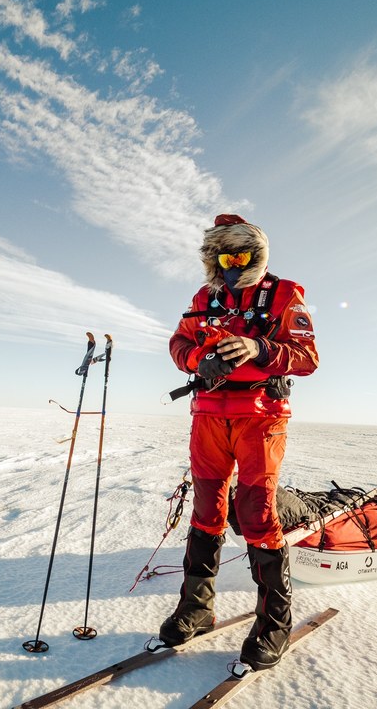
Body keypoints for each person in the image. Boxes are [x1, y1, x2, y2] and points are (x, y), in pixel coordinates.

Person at [159, 213, 319, 672]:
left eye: (240, 255)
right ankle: (196, 609)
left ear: (257, 256)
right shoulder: (203, 298)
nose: (231, 264)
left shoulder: (285, 294)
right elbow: (177, 343)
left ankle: (273, 623)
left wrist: (259, 350)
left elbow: (307, 357)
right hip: (208, 417)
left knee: (256, 514)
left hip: (259, 419)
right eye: (222, 256)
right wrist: (196, 359)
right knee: (207, 512)